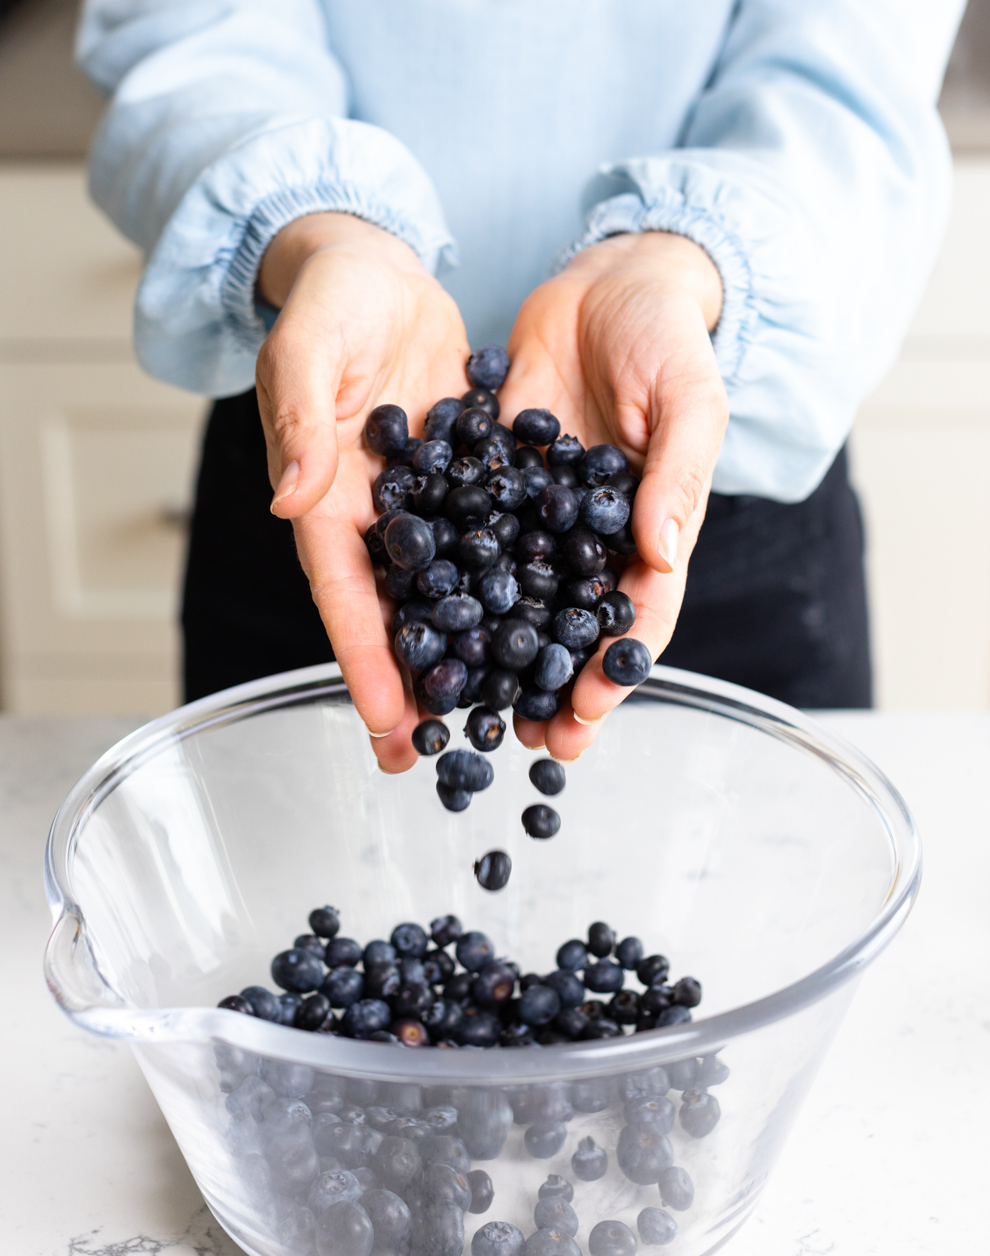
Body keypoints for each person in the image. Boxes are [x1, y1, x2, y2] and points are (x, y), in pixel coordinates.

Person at [77, 1, 964, 770]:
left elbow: (850, 63)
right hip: (328, 446)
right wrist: (319, 234)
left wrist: (687, 260)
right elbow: (192, 30)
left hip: (698, 429)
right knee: (277, 894)